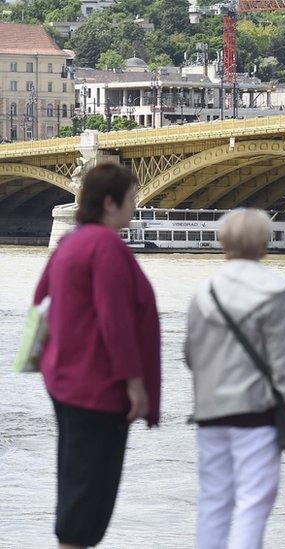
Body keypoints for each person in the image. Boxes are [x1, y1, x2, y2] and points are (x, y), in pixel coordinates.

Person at [33, 163, 161, 549]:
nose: (135, 207)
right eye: (131, 199)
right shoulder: (106, 248)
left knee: (76, 484)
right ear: (110, 202)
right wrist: (135, 384)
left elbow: (40, 304)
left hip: (67, 382)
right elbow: (115, 322)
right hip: (99, 388)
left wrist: (54, 360)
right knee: (91, 495)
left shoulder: (69, 244)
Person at [184, 208, 285, 549]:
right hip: (256, 416)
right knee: (252, 505)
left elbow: (189, 356)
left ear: (222, 243)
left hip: (210, 415)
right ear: (264, 245)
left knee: (213, 502)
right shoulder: (274, 290)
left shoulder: (204, 292)